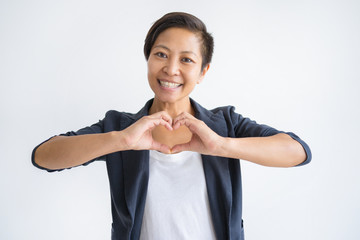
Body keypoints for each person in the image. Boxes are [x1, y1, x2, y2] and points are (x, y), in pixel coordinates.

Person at [32, 12, 311, 240]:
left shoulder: (225, 124)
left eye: (186, 59)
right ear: (148, 59)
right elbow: (43, 156)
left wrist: (222, 145)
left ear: (203, 72)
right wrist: (121, 141)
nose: (171, 69)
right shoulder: (121, 127)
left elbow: (298, 152)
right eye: (161, 54)